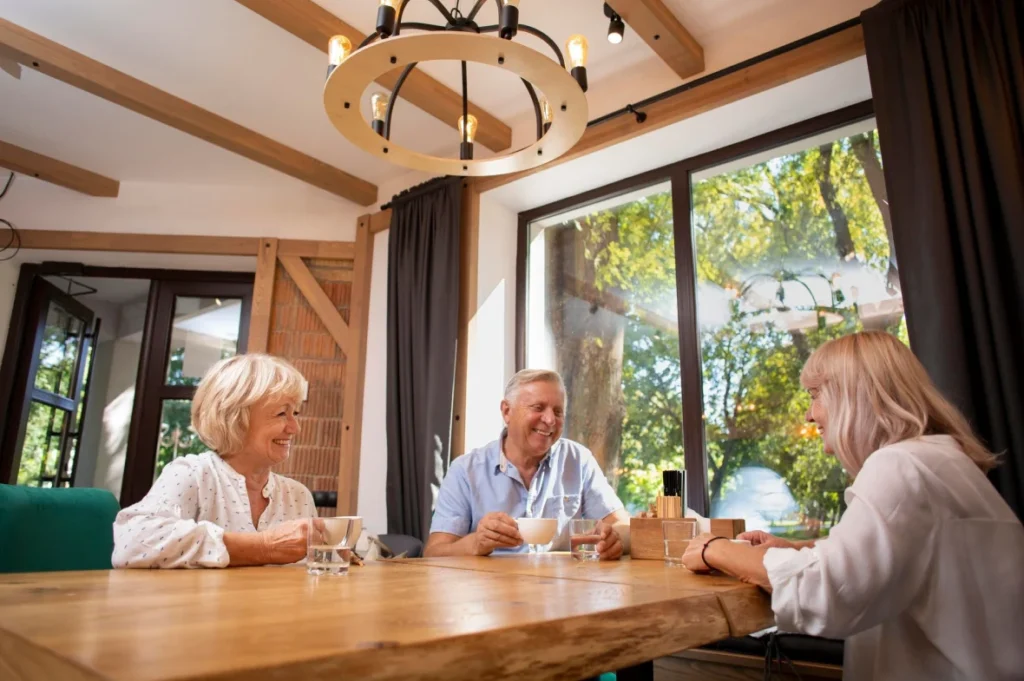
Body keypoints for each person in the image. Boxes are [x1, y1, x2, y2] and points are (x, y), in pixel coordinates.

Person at [681, 331, 1024, 680]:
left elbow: (827, 590)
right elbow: (895, 556)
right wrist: (797, 548)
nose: (809, 416)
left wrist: (713, 548)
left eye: (815, 395)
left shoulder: (900, 465)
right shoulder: (941, 460)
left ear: (854, 395)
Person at [113, 354, 320, 568]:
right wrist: (264, 546)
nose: (295, 428)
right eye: (281, 414)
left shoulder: (298, 495)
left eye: (295, 413)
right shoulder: (192, 475)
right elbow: (131, 545)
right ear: (235, 418)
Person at [425, 369, 630, 560]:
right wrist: (475, 544)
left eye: (558, 412)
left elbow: (623, 526)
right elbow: (434, 553)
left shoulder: (578, 460)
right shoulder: (464, 471)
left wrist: (614, 539)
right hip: (491, 585)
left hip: (562, 585)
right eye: (538, 408)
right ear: (507, 411)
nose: (550, 420)